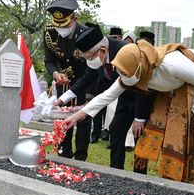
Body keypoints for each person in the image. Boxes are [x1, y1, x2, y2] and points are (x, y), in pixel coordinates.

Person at [65, 40, 194, 186]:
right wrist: (75, 117)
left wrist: (182, 108)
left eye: (125, 74)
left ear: (139, 67)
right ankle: (175, 178)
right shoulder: (129, 70)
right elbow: (106, 96)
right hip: (175, 83)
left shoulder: (172, 65)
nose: (122, 77)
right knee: (161, 127)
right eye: (121, 73)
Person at [55, 25, 152, 172]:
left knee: (140, 134)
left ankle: (139, 175)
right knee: (115, 130)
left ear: (102, 51)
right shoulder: (95, 57)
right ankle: (116, 171)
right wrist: (62, 99)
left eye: (89, 56)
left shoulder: (125, 50)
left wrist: (140, 118)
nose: (88, 60)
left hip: (142, 98)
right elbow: (86, 79)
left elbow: (144, 82)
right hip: (121, 98)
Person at [44, 0, 90, 161]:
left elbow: (92, 67)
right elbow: (49, 61)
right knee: (62, 116)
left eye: (65, 25)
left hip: (85, 81)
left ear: (74, 19)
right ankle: (64, 152)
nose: (61, 29)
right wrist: (56, 74)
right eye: (58, 25)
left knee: (83, 118)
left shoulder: (86, 34)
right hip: (63, 82)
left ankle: (80, 156)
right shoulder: (50, 33)